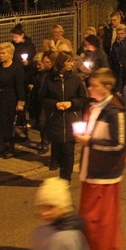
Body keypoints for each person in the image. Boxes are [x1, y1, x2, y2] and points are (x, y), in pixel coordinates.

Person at [75, 69, 126, 250]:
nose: (89, 88)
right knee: (89, 216)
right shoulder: (95, 107)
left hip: (105, 173)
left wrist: (90, 141)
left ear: (107, 87)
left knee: (97, 217)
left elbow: (119, 144)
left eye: (93, 85)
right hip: (92, 169)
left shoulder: (115, 111)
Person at [23, 177, 102, 250]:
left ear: (63, 208)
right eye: (41, 207)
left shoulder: (69, 238)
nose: (44, 212)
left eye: (50, 207)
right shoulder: (41, 231)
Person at [41, 51, 89, 181]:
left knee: (69, 151)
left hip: (71, 119)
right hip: (55, 120)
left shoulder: (75, 79)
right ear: (62, 63)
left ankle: (66, 178)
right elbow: (43, 99)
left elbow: (83, 99)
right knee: (57, 150)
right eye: (70, 61)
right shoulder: (49, 80)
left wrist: (71, 103)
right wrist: (55, 104)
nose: (73, 64)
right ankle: (59, 170)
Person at [0, 42, 26, 159]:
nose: (0, 55)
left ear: (10, 54)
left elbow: (20, 86)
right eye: (0, 53)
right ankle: (2, 144)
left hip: (10, 99)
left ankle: (11, 147)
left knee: (10, 124)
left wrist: (21, 102)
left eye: (3, 53)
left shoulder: (16, 68)